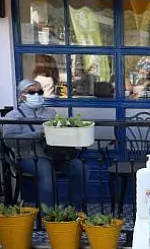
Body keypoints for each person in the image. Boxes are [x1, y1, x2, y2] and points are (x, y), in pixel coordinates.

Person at [3, 79, 88, 210]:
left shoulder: (51, 113)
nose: (37, 95)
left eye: (40, 92)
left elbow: (60, 134)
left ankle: (73, 209)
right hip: (28, 157)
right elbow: (9, 140)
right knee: (45, 168)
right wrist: (37, 134)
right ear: (22, 95)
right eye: (32, 92)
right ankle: (48, 214)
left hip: (55, 155)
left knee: (79, 167)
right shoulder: (13, 116)